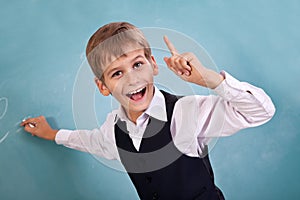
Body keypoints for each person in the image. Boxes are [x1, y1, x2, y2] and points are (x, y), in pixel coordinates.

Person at [21, 22, 275, 200]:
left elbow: (259, 111)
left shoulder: (185, 112)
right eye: (117, 73)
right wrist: (52, 134)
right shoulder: (113, 129)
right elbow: (91, 141)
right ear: (103, 86)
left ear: (153, 64)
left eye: (138, 64)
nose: (132, 79)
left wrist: (210, 80)